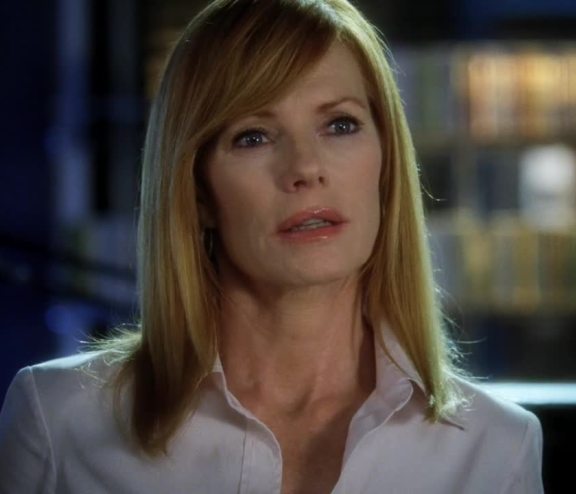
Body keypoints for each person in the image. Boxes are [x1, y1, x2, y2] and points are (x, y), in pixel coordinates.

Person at [0, 0, 544, 492]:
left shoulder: (495, 447)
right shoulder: (60, 420)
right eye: (253, 137)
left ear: (385, 163)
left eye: (340, 124)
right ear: (198, 192)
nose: (305, 168)